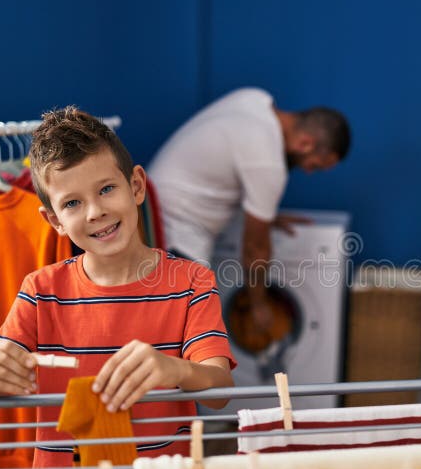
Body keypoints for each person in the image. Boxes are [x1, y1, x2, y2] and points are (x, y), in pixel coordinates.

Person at [0, 107, 236, 469]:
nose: (95, 212)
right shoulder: (40, 292)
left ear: (136, 185)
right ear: (53, 220)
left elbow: (219, 391)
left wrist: (173, 368)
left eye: (106, 189)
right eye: (72, 202)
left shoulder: (191, 283)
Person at [147, 87, 350, 337]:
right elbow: (255, 249)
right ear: (305, 143)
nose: (309, 171)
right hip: (175, 232)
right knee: (189, 336)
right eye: (315, 166)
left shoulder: (254, 99)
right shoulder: (268, 161)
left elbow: (219, 165)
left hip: (151, 210)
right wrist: (259, 304)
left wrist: (267, 217)